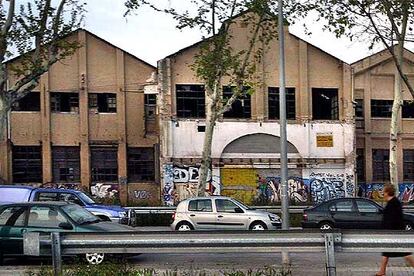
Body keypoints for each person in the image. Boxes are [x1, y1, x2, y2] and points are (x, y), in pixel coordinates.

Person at [376, 184, 414, 276]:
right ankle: (381, 272)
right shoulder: (392, 202)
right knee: (386, 253)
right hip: (392, 233)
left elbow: (394, 219)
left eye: (384, 192)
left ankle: (381, 272)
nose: (382, 193)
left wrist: (389, 231)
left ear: (388, 192)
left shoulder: (394, 203)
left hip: (394, 233)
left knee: (405, 253)